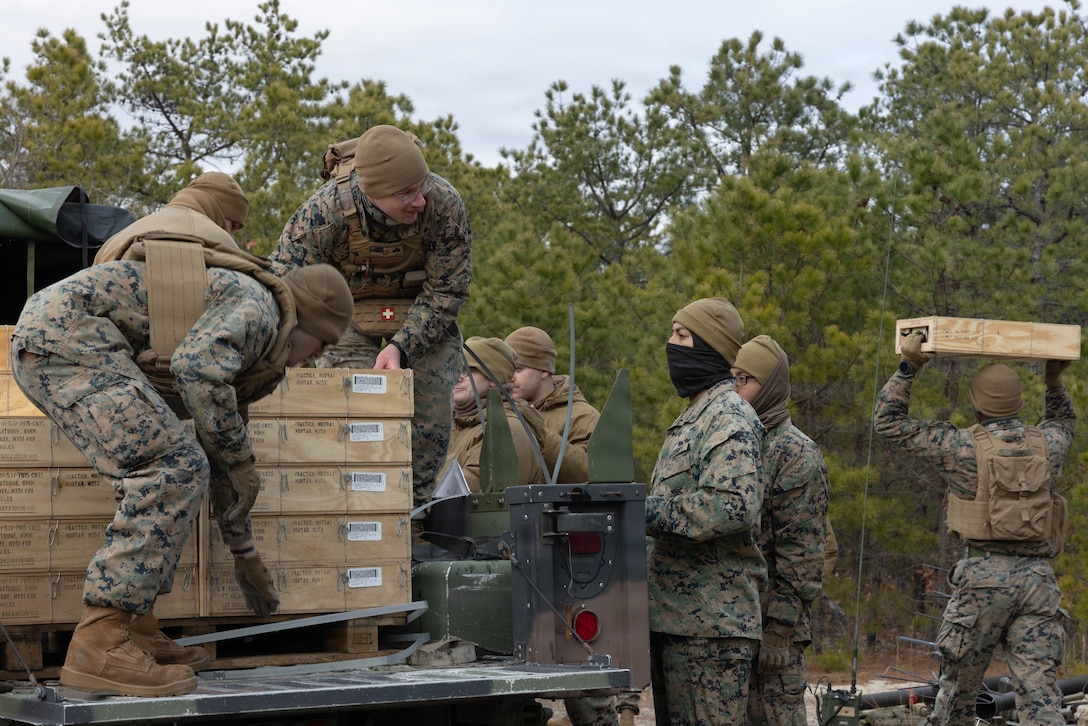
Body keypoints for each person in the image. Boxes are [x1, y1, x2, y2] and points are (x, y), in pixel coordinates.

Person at [10, 173, 355, 698]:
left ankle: (136, 630)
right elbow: (198, 370)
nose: (317, 358)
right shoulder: (260, 309)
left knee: (179, 464)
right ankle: (100, 644)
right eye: (321, 344)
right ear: (307, 321)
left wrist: (243, 550)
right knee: (170, 468)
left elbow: (218, 455)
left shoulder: (253, 339)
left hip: (64, 338)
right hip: (68, 340)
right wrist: (241, 460)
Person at [873, 330, 1073, 726]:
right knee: (1041, 697)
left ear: (976, 404)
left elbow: (888, 422)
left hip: (982, 582)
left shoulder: (960, 446)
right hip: (1037, 583)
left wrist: (908, 367)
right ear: (1018, 400)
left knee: (958, 695)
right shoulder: (1048, 444)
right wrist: (1054, 380)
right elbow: (1064, 419)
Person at [268, 124, 472, 509]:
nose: (420, 201)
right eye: (405, 194)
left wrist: (401, 345)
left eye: (422, 185)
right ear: (371, 194)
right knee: (356, 416)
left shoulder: (444, 205)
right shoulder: (323, 213)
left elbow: (448, 290)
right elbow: (283, 284)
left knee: (427, 420)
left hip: (422, 314)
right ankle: (358, 511)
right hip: (346, 316)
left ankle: (414, 516)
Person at [645, 297, 767, 724]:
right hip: (678, 621)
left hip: (711, 627)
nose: (670, 344)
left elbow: (733, 505)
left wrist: (646, 512)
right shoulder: (696, 415)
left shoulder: (728, 415)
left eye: (682, 335)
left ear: (710, 348)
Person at [731, 335, 829, 726]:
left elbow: (802, 555)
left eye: (745, 379)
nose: (735, 389)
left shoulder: (796, 453)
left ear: (769, 387)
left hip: (774, 631)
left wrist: (779, 629)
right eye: (732, 377)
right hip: (735, 618)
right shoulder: (736, 440)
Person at [438, 336, 546, 492]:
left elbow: (469, 490)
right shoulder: (455, 426)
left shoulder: (506, 429)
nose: (457, 379)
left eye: (466, 371)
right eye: (453, 370)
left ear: (494, 379)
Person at [505, 326, 600, 483]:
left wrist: (538, 431)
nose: (510, 377)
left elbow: (590, 474)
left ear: (544, 370)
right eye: (507, 370)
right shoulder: (500, 413)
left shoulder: (582, 416)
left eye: (518, 369)